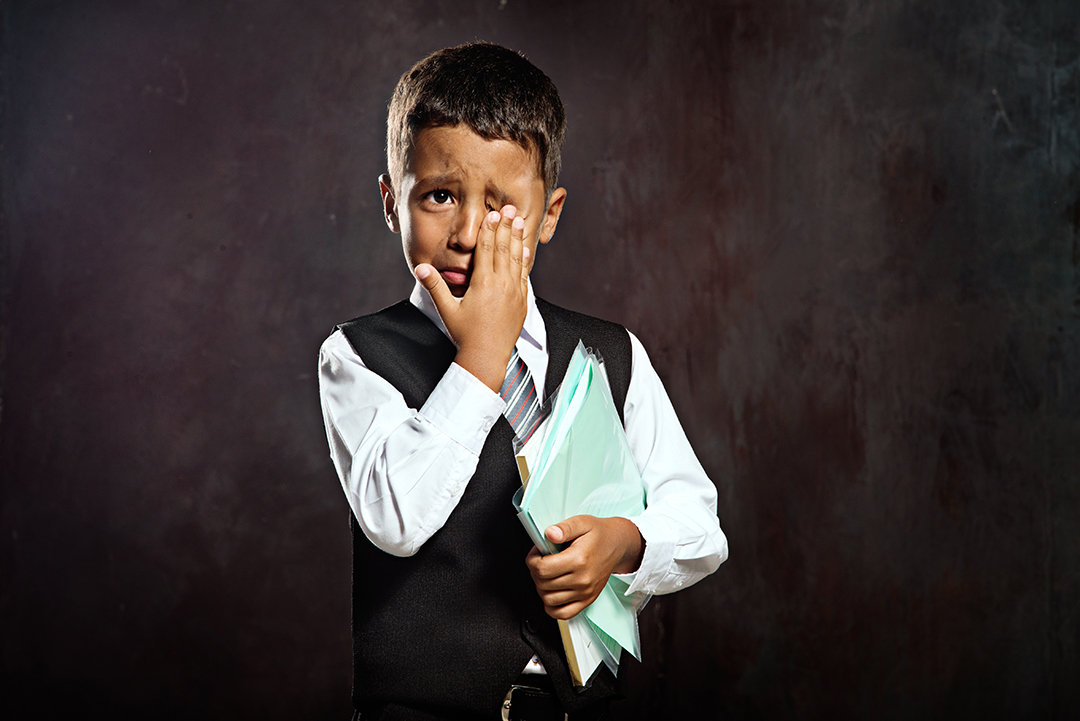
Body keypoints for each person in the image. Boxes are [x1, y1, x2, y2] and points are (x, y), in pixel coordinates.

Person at [319, 42, 728, 721]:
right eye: (440, 196)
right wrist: (482, 354)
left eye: (501, 205)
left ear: (550, 214)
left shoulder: (611, 353)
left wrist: (624, 541)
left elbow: (698, 523)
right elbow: (395, 519)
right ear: (393, 202)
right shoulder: (357, 356)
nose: (469, 232)